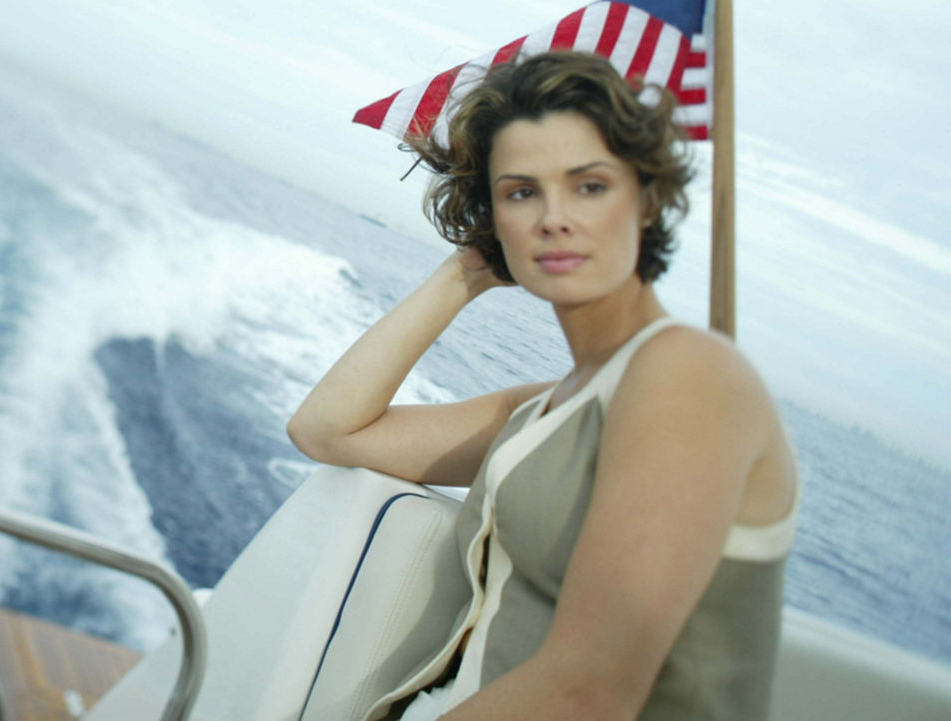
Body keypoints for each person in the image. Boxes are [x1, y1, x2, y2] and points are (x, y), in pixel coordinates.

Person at [286, 51, 798, 721]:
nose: (554, 216)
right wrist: (466, 271)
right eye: (521, 191)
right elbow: (326, 428)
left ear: (645, 198)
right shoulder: (541, 410)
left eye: (588, 185)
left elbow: (588, 692)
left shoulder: (690, 379)